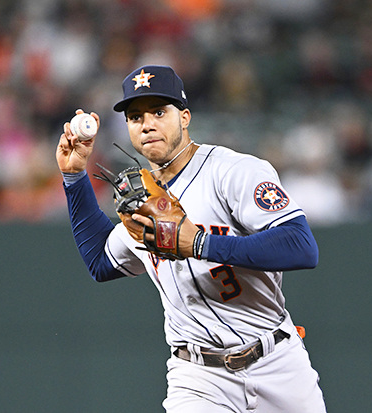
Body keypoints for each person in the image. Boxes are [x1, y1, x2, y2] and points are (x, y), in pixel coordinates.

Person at [56, 65, 326, 412]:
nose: (147, 124)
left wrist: (199, 244)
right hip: (198, 377)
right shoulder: (143, 205)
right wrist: (74, 176)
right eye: (135, 116)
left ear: (184, 117)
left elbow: (301, 247)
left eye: (158, 111)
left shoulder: (231, 172)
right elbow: (100, 261)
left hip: (278, 365)